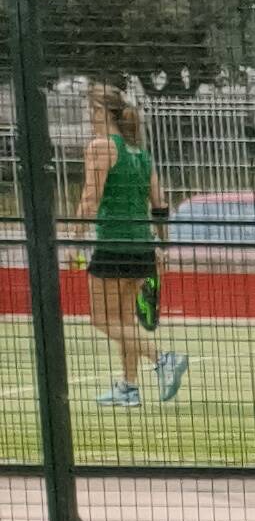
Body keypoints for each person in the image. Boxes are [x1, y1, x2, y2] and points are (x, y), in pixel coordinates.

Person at [77, 85, 184, 408]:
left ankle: (162, 358)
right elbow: (160, 204)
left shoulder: (101, 147)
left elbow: (90, 198)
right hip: (143, 247)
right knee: (124, 321)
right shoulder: (140, 154)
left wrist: (71, 238)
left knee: (100, 319)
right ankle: (129, 386)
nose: (89, 116)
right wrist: (162, 245)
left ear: (102, 112)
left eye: (92, 110)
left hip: (113, 243)